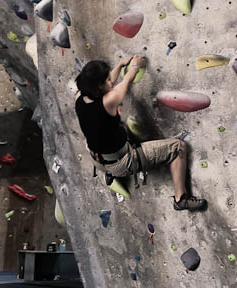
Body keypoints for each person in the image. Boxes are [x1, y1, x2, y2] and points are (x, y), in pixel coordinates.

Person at [74, 57, 206, 211]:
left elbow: (109, 86)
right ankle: (180, 200)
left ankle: (111, 172)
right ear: (99, 85)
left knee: (119, 126)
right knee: (178, 147)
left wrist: (120, 65)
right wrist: (136, 66)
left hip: (98, 159)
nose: (111, 81)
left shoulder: (80, 96)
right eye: (108, 80)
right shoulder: (109, 100)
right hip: (122, 161)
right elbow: (126, 81)